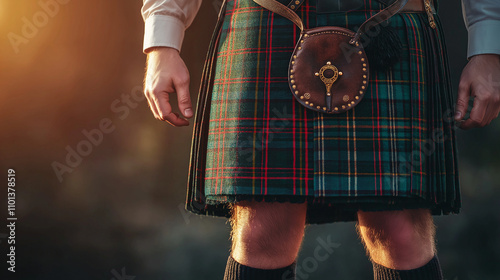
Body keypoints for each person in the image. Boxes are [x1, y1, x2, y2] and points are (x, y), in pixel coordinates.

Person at [141, 0, 500, 279]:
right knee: (263, 230)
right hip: (267, 20)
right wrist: (163, 35)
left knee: (400, 229)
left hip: (389, 23)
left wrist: (489, 42)